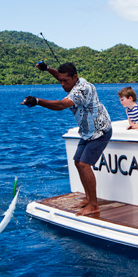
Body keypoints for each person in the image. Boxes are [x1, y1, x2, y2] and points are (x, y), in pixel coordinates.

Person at [21, 61, 111, 216]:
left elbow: (60, 105)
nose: (62, 84)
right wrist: (48, 69)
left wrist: (37, 101)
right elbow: (61, 76)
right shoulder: (76, 81)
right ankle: (89, 198)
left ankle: (94, 205)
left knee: (84, 164)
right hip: (87, 131)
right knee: (77, 162)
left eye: (65, 81)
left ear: (75, 77)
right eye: (60, 81)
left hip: (99, 131)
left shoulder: (82, 90)